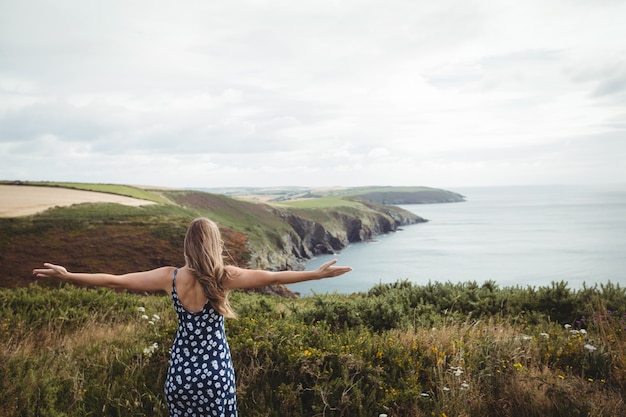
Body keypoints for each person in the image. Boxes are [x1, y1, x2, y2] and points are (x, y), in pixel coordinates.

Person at [33, 217, 352, 417]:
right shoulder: (224, 276)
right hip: (215, 377)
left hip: (180, 379)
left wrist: (69, 275)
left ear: (186, 244)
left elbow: (116, 280)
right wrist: (316, 274)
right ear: (215, 245)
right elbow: (272, 277)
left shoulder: (169, 277)